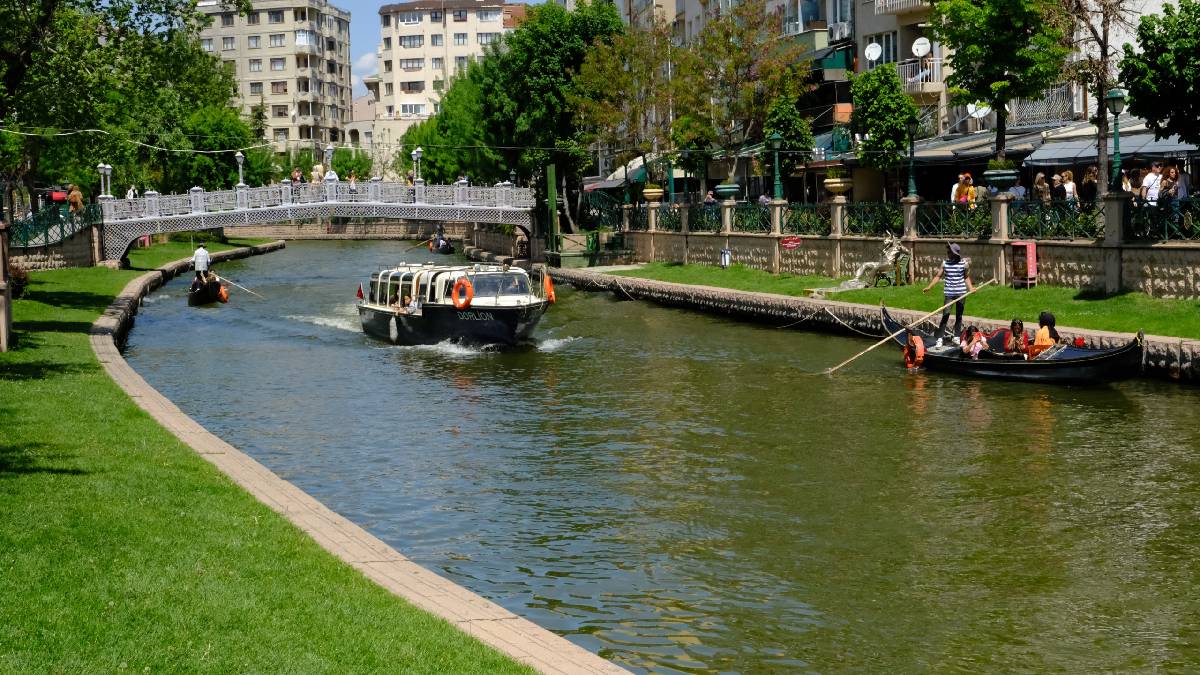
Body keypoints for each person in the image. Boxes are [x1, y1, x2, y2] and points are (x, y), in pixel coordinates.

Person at [923, 242, 974, 343]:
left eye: (949, 252)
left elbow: (966, 277)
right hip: (949, 293)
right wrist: (929, 287)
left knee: (959, 316)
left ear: (954, 253)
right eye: (947, 251)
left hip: (961, 293)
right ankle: (940, 338)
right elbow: (938, 276)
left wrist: (971, 288)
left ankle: (956, 337)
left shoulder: (963, 264)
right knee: (945, 314)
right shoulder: (945, 263)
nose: (947, 253)